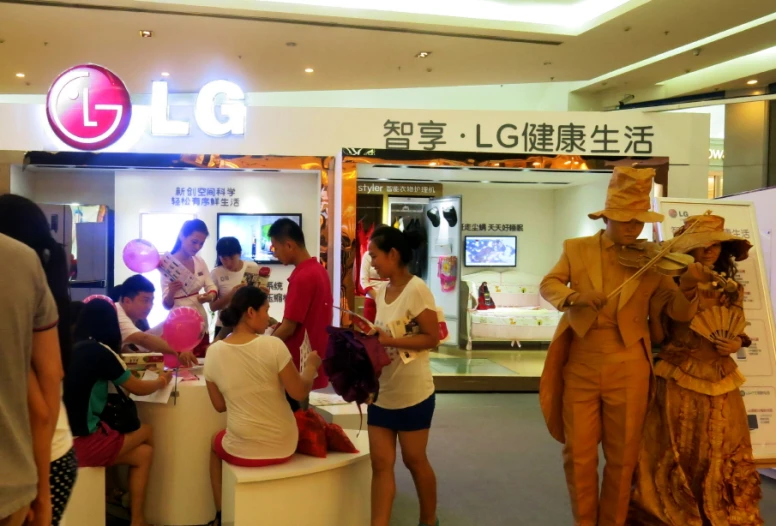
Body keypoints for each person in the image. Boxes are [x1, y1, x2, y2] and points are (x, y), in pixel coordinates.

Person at [539, 167, 706, 526]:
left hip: (630, 364)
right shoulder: (577, 248)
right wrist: (575, 297)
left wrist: (690, 288)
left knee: (623, 456)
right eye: (626, 221)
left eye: (639, 222)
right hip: (581, 362)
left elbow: (676, 309)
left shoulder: (654, 260)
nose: (633, 228)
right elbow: (549, 283)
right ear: (608, 217)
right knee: (578, 454)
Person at [630, 213, 763, 525]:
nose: (710, 250)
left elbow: (737, 329)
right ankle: (676, 510)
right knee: (679, 444)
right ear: (686, 248)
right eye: (703, 244)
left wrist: (735, 344)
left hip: (722, 377)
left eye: (716, 245)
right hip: (678, 374)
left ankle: (718, 507)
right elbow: (660, 334)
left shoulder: (731, 288)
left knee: (722, 444)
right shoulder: (667, 283)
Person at [204, 287, 321, 526]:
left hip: (241, 446)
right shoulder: (273, 346)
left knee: (214, 445)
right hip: (283, 443)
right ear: (250, 312)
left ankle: (221, 513)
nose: (269, 317)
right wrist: (310, 368)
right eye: (266, 310)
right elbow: (298, 392)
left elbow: (219, 406)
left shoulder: (213, 352)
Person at [0, 194, 77, 526]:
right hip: (49, 452)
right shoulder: (33, 279)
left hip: (36, 456)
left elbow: (39, 405)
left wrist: (40, 492)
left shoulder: (18, 271)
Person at [64, 299, 172, 526]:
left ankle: (126, 501)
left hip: (64, 441)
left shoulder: (74, 347)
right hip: (83, 443)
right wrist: (162, 380)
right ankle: (141, 511)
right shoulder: (101, 352)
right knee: (147, 431)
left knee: (143, 454)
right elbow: (138, 388)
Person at [367, 226, 440, 526]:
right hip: (382, 392)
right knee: (381, 464)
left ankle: (428, 520)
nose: (371, 262)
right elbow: (383, 334)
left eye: (374, 256)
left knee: (414, 460)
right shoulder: (382, 290)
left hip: (413, 394)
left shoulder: (417, 289)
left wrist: (387, 341)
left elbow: (431, 337)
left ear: (393, 255)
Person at [269, 218, 332, 396]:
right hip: (314, 357)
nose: (274, 254)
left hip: (299, 361)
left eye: (275, 247)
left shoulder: (303, 276)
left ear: (289, 245)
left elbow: (289, 327)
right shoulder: (318, 270)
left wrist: (265, 346)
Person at [162, 219, 218, 359]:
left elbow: (211, 285)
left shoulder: (199, 261)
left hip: (200, 321)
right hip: (179, 324)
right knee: (181, 368)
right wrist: (172, 292)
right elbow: (166, 304)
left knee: (200, 364)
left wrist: (209, 296)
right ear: (182, 236)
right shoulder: (168, 264)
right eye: (194, 241)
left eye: (201, 243)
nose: (197, 246)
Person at [115, 274, 197, 367]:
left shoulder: (130, 317)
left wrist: (146, 360)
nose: (150, 306)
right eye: (145, 300)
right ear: (127, 301)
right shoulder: (116, 312)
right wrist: (178, 350)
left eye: (151, 301)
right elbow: (143, 339)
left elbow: (122, 349)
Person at [209, 236, 260, 339]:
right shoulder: (216, 273)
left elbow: (257, 301)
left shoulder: (252, 267)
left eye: (232, 258)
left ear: (239, 254)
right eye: (224, 259)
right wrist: (232, 295)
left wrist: (262, 293)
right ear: (219, 257)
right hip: (224, 325)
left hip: (248, 325)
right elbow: (213, 307)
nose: (228, 263)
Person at [360, 225, 388, 323]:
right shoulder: (367, 255)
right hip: (372, 300)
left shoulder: (391, 256)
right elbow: (363, 280)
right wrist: (378, 299)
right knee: (370, 336)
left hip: (389, 301)